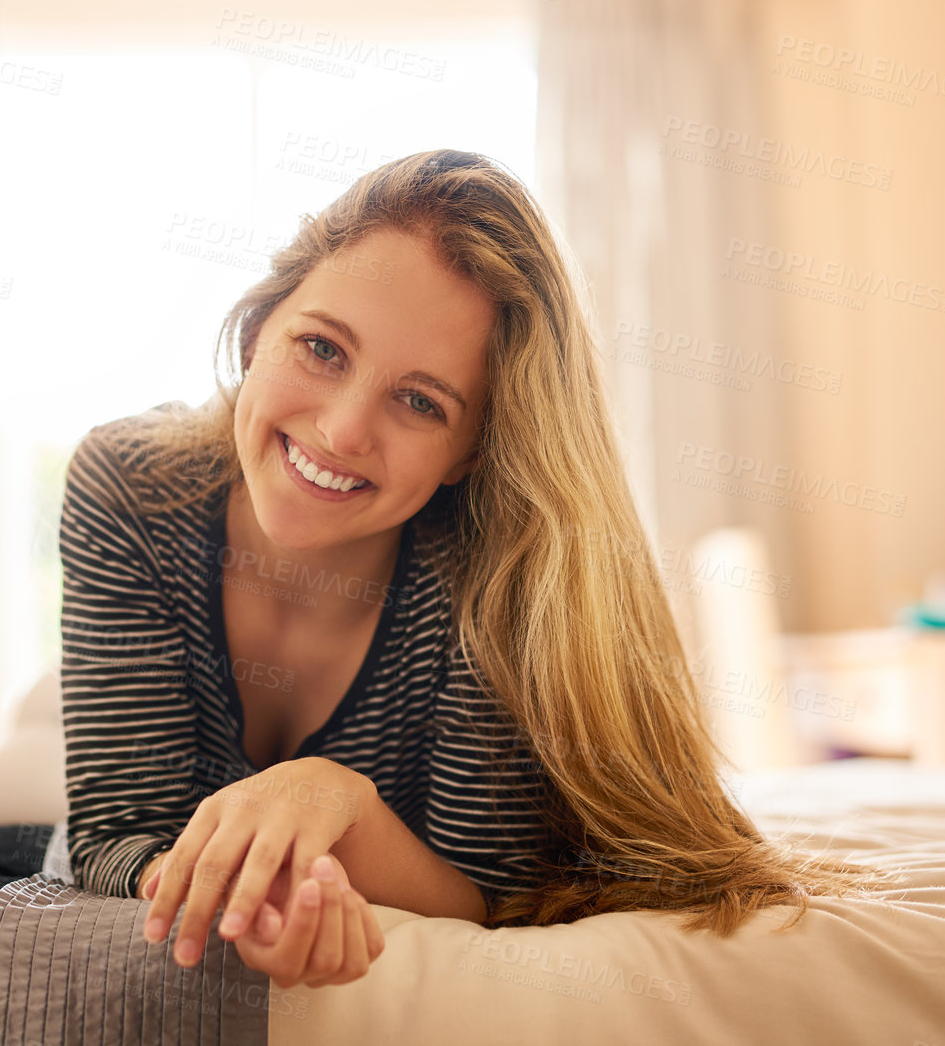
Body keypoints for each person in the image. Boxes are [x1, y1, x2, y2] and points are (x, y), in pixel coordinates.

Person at [56, 148, 881, 989]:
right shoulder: (128, 484)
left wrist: (338, 802)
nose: (342, 430)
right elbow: (116, 833)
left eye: (420, 402)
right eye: (320, 347)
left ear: (466, 452)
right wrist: (253, 888)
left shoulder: (487, 577)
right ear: (255, 328)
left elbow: (491, 896)